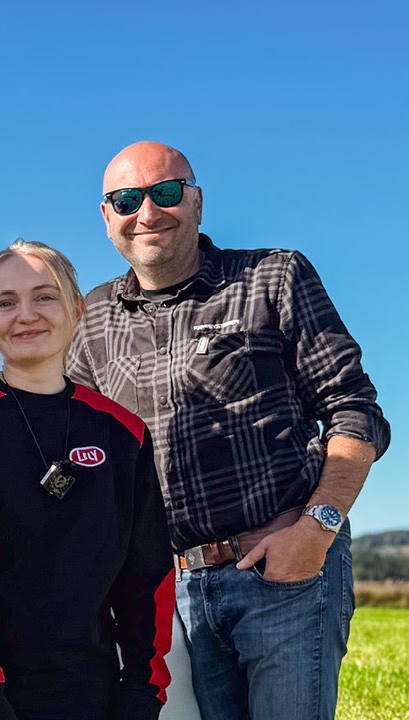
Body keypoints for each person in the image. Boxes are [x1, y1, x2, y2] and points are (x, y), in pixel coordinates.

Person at [67, 141, 391, 720]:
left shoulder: (273, 277)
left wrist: (316, 532)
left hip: (284, 571)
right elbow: (72, 451)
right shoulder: (92, 318)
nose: (148, 213)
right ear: (106, 216)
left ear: (196, 202)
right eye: (126, 199)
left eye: (166, 193)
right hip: (174, 594)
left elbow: (355, 410)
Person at [0, 240, 174, 720]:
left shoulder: (123, 432)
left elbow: (148, 574)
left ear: (76, 310)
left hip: (99, 694)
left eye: (44, 296)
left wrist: (143, 689)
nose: (25, 314)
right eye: (5, 303)